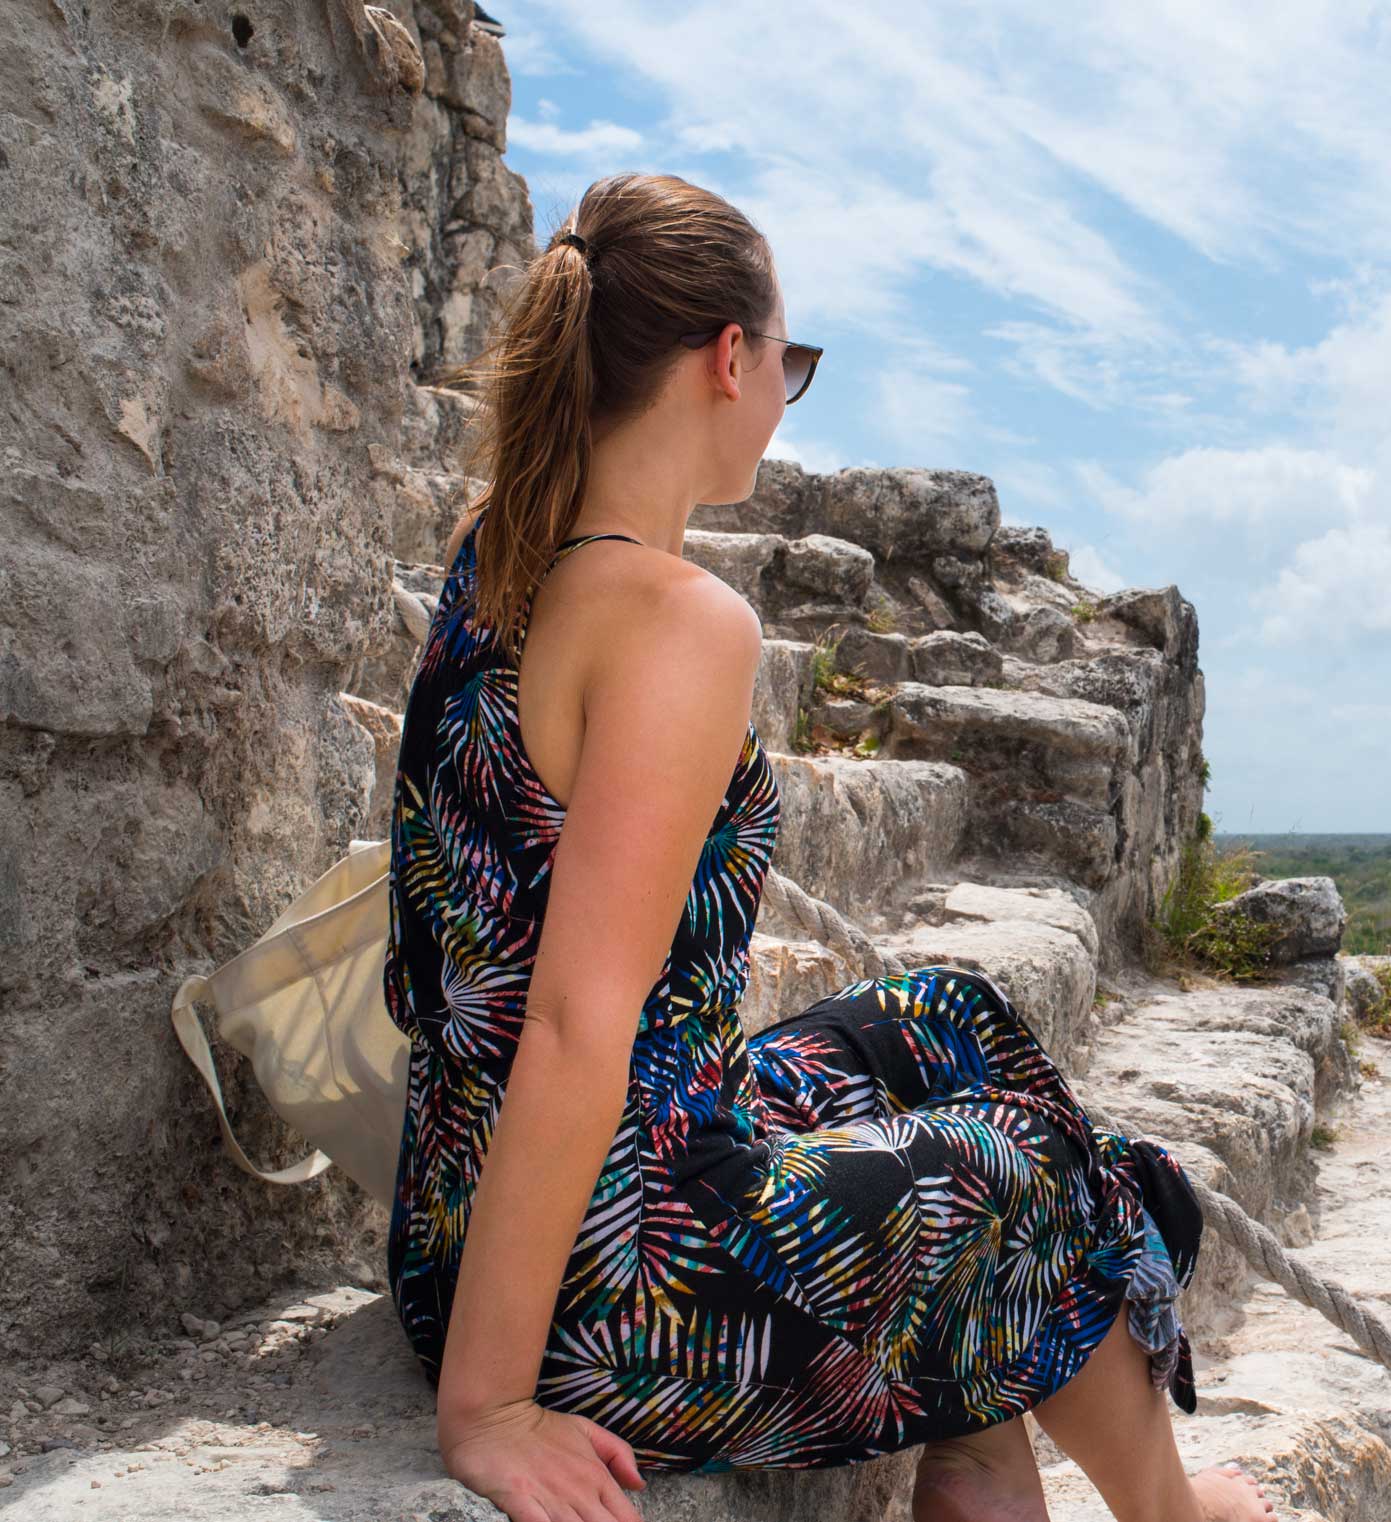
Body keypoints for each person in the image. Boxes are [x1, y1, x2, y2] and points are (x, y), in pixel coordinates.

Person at [381, 170, 1275, 1522]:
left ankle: (981, 1463)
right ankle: (1164, 1511)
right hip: (614, 1283)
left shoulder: (501, 552)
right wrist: (491, 1406)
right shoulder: (677, 623)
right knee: (1008, 1171)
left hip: (456, 1216)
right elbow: (574, 1020)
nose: (784, 392)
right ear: (728, 359)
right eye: (789, 360)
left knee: (950, 1020)